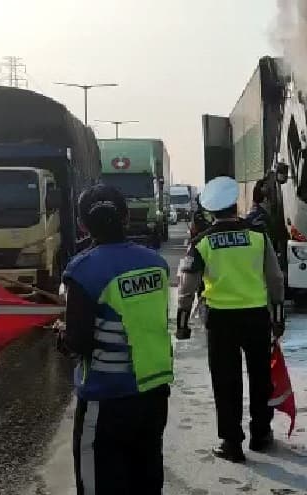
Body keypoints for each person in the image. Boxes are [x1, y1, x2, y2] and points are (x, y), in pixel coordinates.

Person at [60, 184, 174, 494]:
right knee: (146, 479)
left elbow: (79, 342)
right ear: (125, 217)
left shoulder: (83, 270)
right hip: (153, 392)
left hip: (105, 397)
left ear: (84, 225)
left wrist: (64, 334)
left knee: (99, 484)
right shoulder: (156, 264)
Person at [176, 176, 285, 463]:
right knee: (261, 377)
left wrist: (182, 321)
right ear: (236, 206)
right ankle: (261, 434)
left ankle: (232, 443)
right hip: (256, 316)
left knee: (226, 381)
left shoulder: (202, 243)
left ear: (211, 211)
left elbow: (187, 285)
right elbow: (275, 278)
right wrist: (278, 314)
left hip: (221, 320)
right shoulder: (258, 237)